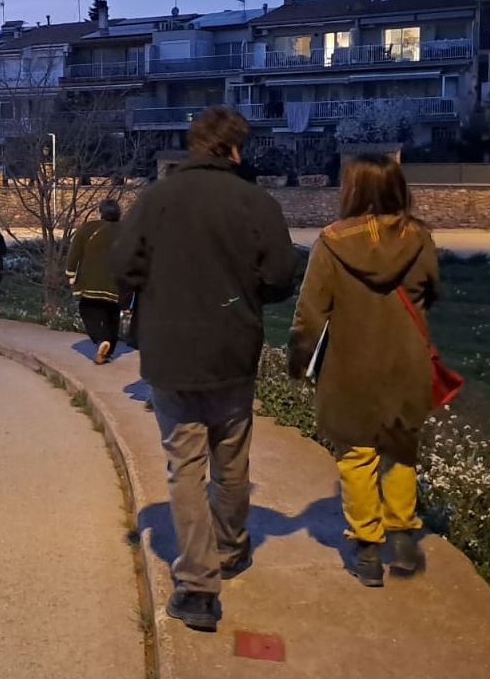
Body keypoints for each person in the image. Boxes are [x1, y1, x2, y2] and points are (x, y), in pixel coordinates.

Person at [111, 105, 298, 632]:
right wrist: (244, 295)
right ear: (235, 150)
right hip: (233, 348)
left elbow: (123, 265)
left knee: (185, 466)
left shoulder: (155, 199)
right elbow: (283, 275)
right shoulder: (255, 201)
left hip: (171, 353)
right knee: (232, 460)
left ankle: (197, 588)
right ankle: (232, 548)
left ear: (194, 147)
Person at [288, 154, 440, 588]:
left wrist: (298, 361)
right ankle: (405, 534)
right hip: (406, 360)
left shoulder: (332, 241)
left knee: (356, 455)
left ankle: (368, 549)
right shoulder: (420, 237)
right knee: (400, 449)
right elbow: (431, 291)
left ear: (352, 189)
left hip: (351, 363)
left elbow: (310, 312)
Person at [67, 199, 124, 364]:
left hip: (89, 281)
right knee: (112, 315)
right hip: (115, 282)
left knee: (87, 310)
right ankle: (108, 348)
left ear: (100, 212)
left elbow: (75, 252)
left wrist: (70, 273)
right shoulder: (126, 231)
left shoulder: (88, 228)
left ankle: (100, 340)